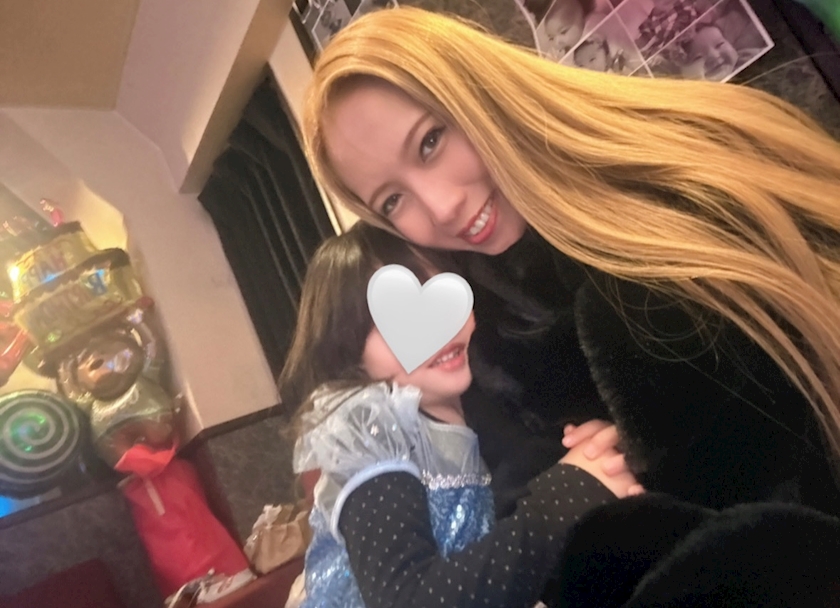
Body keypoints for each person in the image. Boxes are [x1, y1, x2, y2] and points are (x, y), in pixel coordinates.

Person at [300, 5, 840, 525]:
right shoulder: (490, 338)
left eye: (431, 141)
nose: (441, 208)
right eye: (393, 200)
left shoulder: (689, 169)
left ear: (478, 91)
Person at [278, 223, 642, 607]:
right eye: (396, 323)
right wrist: (566, 496)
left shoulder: (473, 399)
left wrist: (592, 457)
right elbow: (406, 600)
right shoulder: (373, 425)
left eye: (439, 298)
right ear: (350, 356)